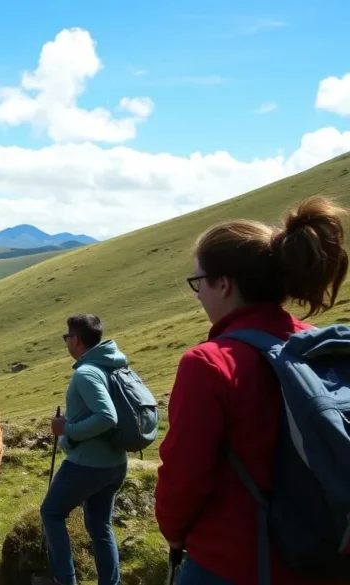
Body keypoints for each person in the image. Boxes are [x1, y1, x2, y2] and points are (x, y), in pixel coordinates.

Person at [155, 196, 349, 585]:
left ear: (223, 285)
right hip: (323, 557)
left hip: (234, 562)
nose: (198, 296)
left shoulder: (210, 363)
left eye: (199, 283)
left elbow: (184, 476)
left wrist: (173, 531)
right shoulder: (320, 346)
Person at [36, 314, 129, 585]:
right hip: (115, 463)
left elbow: (107, 416)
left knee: (51, 512)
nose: (66, 342)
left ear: (76, 340)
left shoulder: (87, 373)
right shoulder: (114, 366)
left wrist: (67, 430)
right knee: (100, 527)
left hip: (88, 463)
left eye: (67, 337)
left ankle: (65, 580)